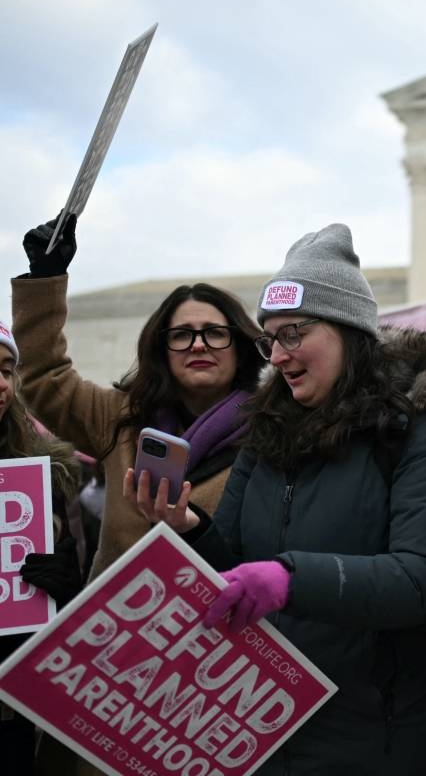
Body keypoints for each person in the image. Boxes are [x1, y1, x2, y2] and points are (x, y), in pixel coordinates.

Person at [134, 223, 426, 774]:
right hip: (271, 732)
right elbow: (240, 570)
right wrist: (192, 529)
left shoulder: (417, 430)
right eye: (271, 337)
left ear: (347, 331)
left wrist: (292, 578)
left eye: (294, 333)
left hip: (382, 739)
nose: (280, 354)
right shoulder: (267, 433)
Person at [13, 214, 264, 579]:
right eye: (181, 335)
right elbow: (43, 377)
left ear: (240, 346)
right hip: (113, 623)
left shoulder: (272, 428)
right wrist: (44, 279)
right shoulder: (120, 416)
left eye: (214, 333)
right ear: (161, 350)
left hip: (215, 625)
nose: (198, 345)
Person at [0, 322, 82, 775]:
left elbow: (71, 611)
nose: (2, 384)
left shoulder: (39, 479)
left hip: (11, 717)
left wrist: (66, 588)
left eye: (8, 370)